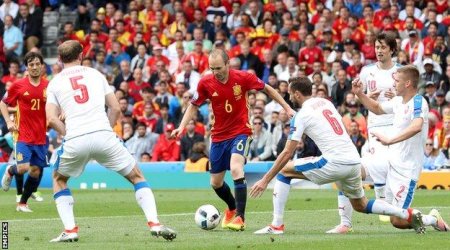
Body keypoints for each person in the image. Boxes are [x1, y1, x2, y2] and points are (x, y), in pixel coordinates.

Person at [250, 76, 428, 235]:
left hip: (334, 162)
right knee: (361, 205)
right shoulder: (325, 102)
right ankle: (406, 213)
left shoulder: (302, 115)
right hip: (353, 161)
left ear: (297, 94)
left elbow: (288, 152)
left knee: (284, 171)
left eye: (289, 93)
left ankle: (277, 225)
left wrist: (265, 180)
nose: (288, 97)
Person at [45, 40, 176, 243]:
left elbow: (51, 119)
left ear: (60, 59)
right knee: (137, 176)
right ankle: (154, 223)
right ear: (81, 55)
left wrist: (67, 132)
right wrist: (107, 129)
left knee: (59, 179)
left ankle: (70, 230)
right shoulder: (96, 75)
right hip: (104, 135)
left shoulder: (55, 82)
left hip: (76, 138)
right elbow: (115, 108)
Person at [171, 48, 296, 231]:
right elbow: (193, 105)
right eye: (212, 68)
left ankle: (240, 217)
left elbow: (267, 89)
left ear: (228, 64)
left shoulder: (243, 78)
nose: (215, 72)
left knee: (236, 168)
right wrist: (181, 127)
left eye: (219, 68)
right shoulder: (205, 82)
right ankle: (231, 208)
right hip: (219, 136)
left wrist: (286, 107)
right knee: (216, 183)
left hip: (241, 131)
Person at [329, 32, 402, 233]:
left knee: (391, 167)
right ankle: (349, 219)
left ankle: (384, 199)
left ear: (392, 50)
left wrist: (398, 95)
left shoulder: (401, 71)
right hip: (375, 125)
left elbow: (412, 99)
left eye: (383, 47)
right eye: (377, 47)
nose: (379, 51)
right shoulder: (367, 71)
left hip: (397, 126)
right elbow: (358, 95)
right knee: (369, 166)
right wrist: (365, 96)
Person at [1, 51, 48, 212]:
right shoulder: (18, 85)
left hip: (41, 136)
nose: (34, 67)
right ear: (27, 67)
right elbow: (3, 103)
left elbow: (56, 105)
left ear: (42, 66)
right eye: (31, 64)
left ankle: (22, 203)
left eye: (37, 64)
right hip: (22, 134)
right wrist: (8, 121)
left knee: (35, 171)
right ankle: (10, 170)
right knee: (23, 168)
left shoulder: (49, 86)